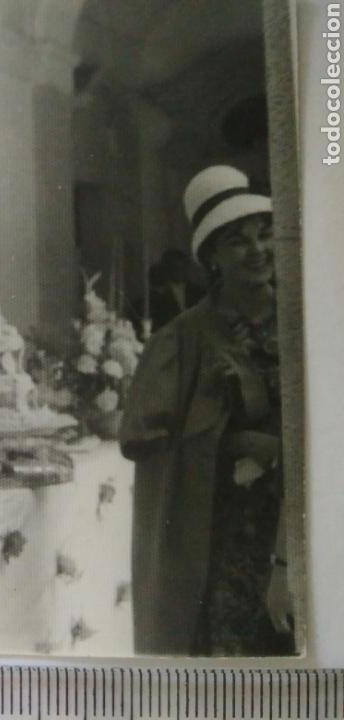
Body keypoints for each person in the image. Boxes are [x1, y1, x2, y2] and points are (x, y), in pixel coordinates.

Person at [120, 165, 294, 656]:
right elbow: (145, 441)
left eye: (264, 235)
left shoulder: (303, 318)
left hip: (300, 522)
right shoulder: (182, 340)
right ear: (211, 256)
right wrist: (238, 442)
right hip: (225, 535)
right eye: (238, 241)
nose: (258, 250)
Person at [146, 248, 206, 333]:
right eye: (174, 266)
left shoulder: (199, 292)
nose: (178, 270)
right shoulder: (159, 295)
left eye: (181, 266)